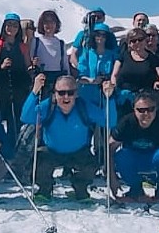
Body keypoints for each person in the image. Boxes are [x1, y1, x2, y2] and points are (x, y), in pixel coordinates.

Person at [21, 73, 114, 201]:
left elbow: (109, 121)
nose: (66, 97)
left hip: (79, 152)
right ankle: (45, 189)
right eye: (61, 93)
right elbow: (26, 117)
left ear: (76, 93)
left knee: (91, 165)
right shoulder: (48, 106)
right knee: (37, 163)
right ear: (55, 93)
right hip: (51, 151)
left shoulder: (84, 107)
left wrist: (110, 98)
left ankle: (81, 189)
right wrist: (34, 91)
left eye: (70, 93)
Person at [110, 90, 159, 203]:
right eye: (141, 110)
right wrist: (112, 180)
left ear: (156, 108)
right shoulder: (126, 123)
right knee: (122, 155)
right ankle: (136, 189)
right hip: (133, 158)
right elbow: (110, 150)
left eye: (150, 109)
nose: (146, 114)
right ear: (134, 110)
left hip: (155, 159)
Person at [0, 13, 32, 133]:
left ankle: (14, 146)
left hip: (19, 87)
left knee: (15, 120)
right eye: (9, 25)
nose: (11, 28)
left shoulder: (23, 47)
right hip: (0, 87)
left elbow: (28, 65)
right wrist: (1, 66)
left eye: (14, 25)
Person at [111, 25, 159, 112]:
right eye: (133, 41)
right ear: (129, 43)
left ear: (145, 40)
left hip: (145, 99)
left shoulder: (153, 58)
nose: (137, 42)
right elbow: (114, 74)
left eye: (140, 39)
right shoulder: (123, 56)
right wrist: (113, 88)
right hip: (124, 98)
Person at [30, 9, 71, 90]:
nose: (49, 25)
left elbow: (65, 65)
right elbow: (30, 60)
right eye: (46, 22)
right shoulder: (36, 41)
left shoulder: (61, 43)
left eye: (52, 22)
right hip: (41, 80)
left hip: (58, 80)